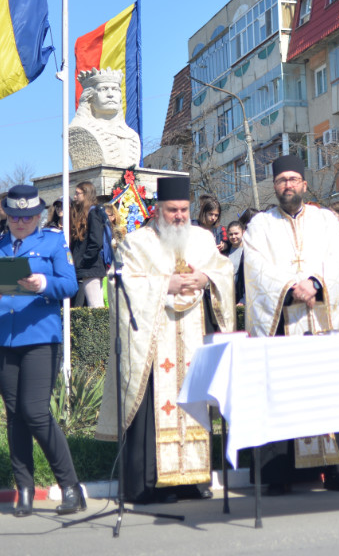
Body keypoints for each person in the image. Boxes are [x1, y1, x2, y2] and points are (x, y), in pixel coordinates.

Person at [94, 176, 234, 503]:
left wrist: (206, 277)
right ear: (158, 210)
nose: (180, 216)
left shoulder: (202, 238)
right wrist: (164, 285)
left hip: (194, 336)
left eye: (184, 209)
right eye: (172, 210)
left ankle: (193, 480)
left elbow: (225, 271)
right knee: (155, 408)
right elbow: (119, 284)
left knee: (194, 403)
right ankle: (151, 485)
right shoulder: (137, 242)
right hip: (155, 342)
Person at [242, 155, 339, 495]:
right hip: (282, 321)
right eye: (282, 180)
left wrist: (316, 283)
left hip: (321, 318)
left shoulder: (326, 220)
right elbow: (255, 268)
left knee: (329, 392)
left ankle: (336, 471)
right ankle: (279, 474)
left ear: (304, 184)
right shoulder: (260, 225)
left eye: (293, 179)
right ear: (274, 186)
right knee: (281, 394)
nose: (288, 185)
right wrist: (291, 287)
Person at [0, 185, 86, 515]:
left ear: (38, 216)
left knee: (36, 411)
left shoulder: (53, 242)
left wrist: (44, 284)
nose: (21, 222)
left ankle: (70, 486)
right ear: (6, 215)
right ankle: (24, 488)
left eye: (28, 216)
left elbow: (70, 284)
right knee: (15, 415)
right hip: (1, 338)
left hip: (39, 337)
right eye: (15, 217)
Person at [69, 180, 107, 308]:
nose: (75, 197)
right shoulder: (84, 213)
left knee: (95, 305)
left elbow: (96, 241)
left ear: (86, 194)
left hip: (91, 268)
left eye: (77, 193)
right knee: (92, 305)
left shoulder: (93, 213)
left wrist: (83, 260)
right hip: (86, 267)